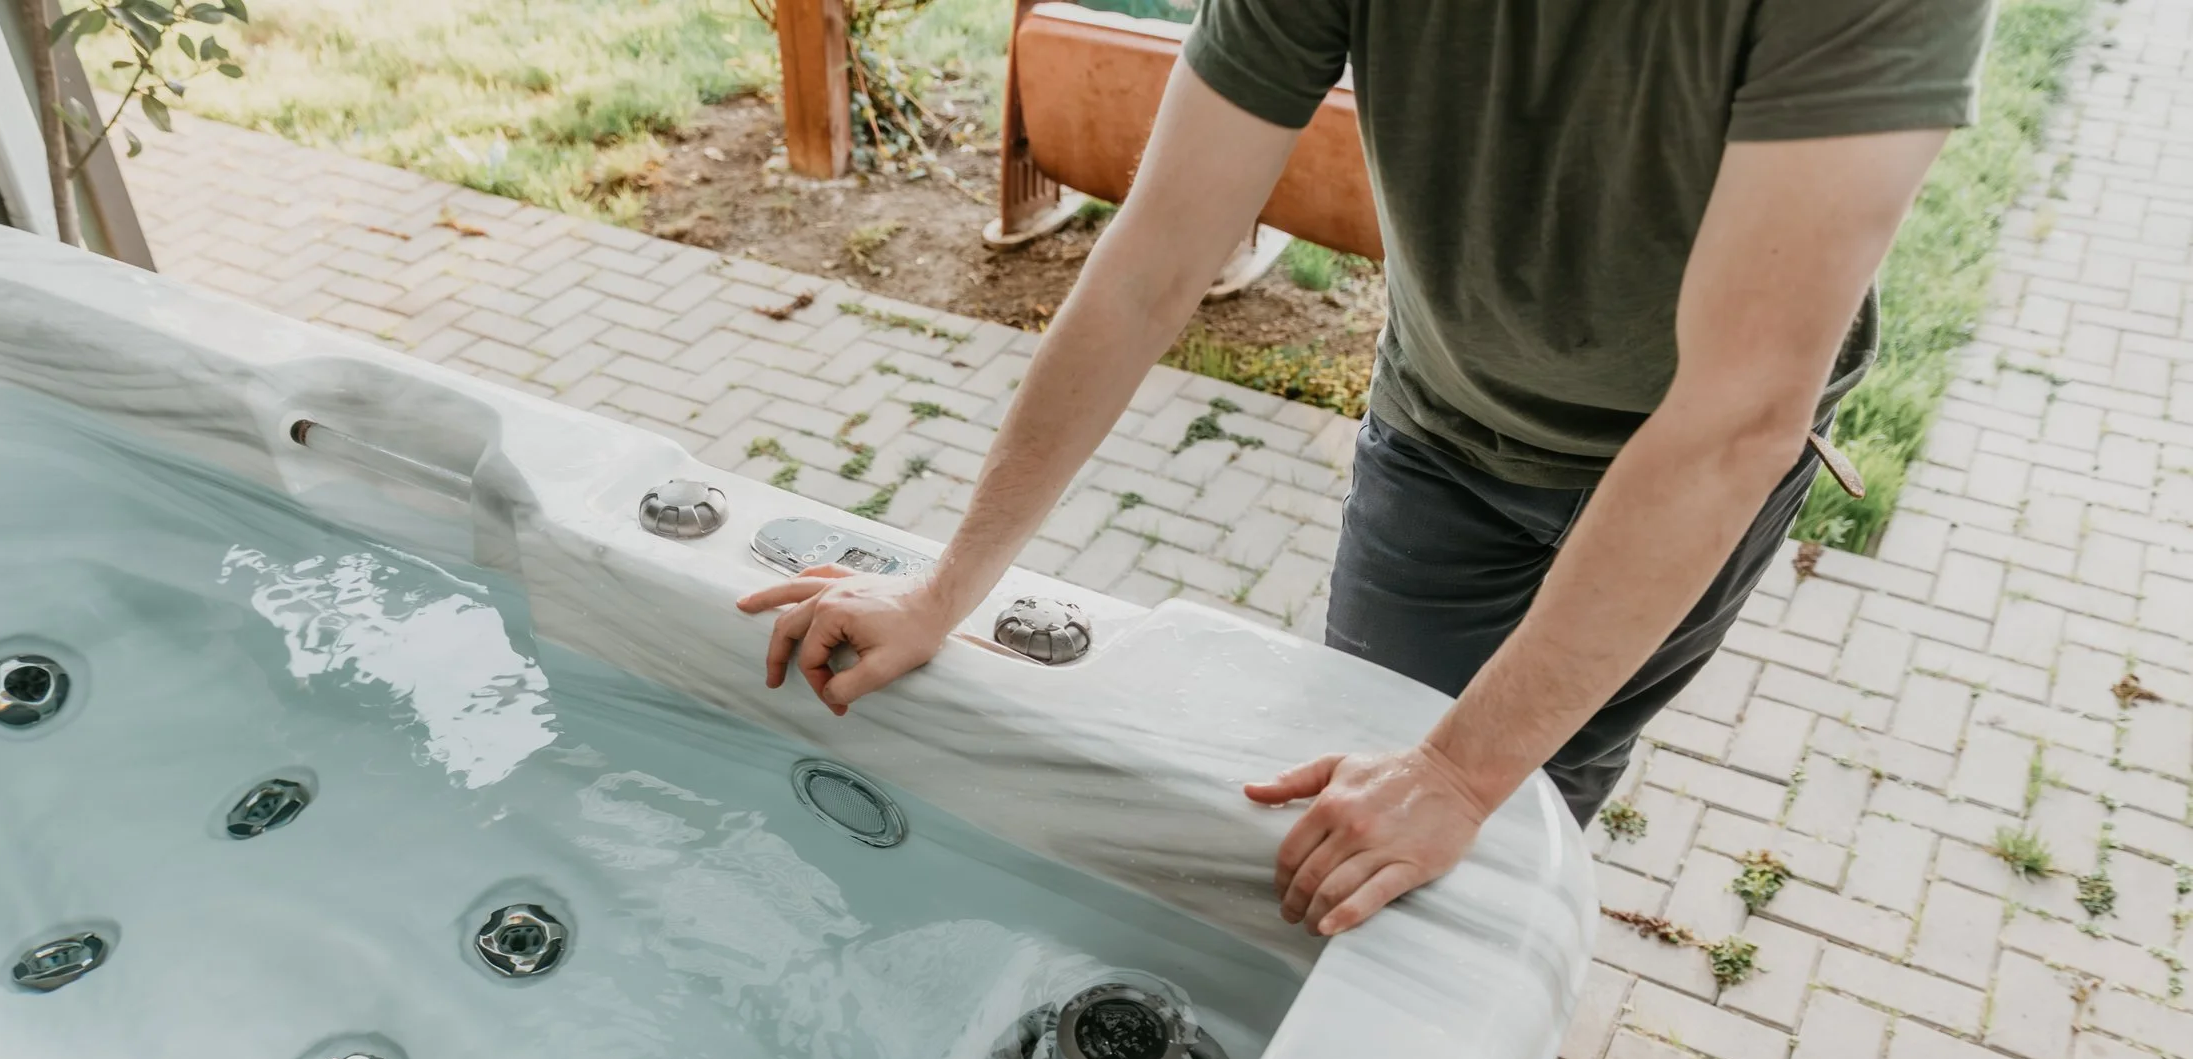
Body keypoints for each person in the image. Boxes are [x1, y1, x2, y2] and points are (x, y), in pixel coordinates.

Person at [739, 0, 1994, 936]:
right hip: (1440, 433)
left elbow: (1733, 418)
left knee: (1508, 819)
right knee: (1339, 801)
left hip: (1693, 477)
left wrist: (1460, 774)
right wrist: (945, 589)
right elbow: (1152, 259)